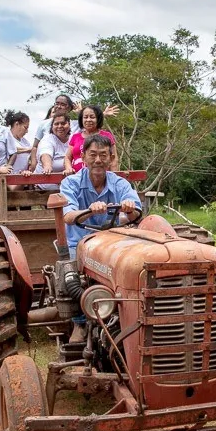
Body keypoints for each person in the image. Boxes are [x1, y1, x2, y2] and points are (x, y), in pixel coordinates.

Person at [61, 134, 141, 342]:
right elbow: (68, 216)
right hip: (80, 242)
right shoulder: (70, 183)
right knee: (72, 274)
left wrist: (130, 209)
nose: (98, 160)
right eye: (93, 155)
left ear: (110, 157)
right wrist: (89, 211)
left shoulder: (120, 184)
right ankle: (79, 322)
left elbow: (137, 213)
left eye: (103, 155)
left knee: (135, 267)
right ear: (84, 157)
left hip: (113, 243)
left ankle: (130, 317)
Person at [68, 104, 118, 171]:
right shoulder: (75, 137)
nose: (88, 120)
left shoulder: (107, 136)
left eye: (92, 117)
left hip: (101, 177)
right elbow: (67, 158)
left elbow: (114, 159)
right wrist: (69, 168)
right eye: (85, 117)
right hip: (77, 178)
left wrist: (113, 176)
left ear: (98, 119)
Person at [35, 113, 75, 190]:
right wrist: (47, 166)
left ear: (69, 125)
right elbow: (45, 153)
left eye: (63, 123)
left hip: (67, 189)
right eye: (56, 124)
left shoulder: (73, 139)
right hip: (43, 189)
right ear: (52, 126)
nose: (60, 126)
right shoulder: (47, 139)